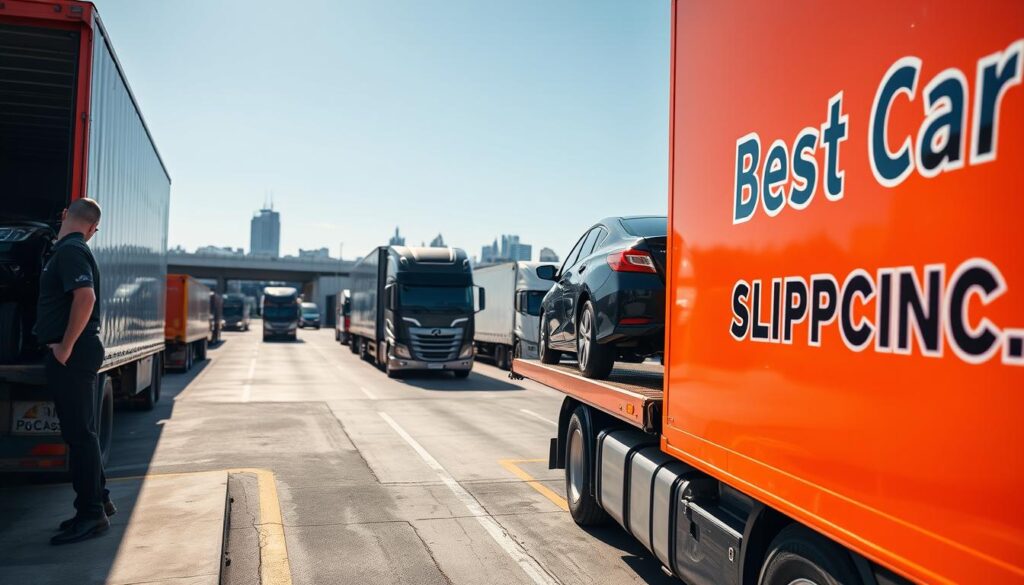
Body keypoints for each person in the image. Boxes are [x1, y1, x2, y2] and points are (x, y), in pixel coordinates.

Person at [34, 198, 115, 545]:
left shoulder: (70, 252)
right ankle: (101, 502)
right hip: (78, 353)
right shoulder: (69, 250)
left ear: (66, 216)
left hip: (75, 354)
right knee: (84, 433)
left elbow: (86, 298)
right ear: (94, 227)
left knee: (80, 436)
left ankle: (91, 514)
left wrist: (65, 346)